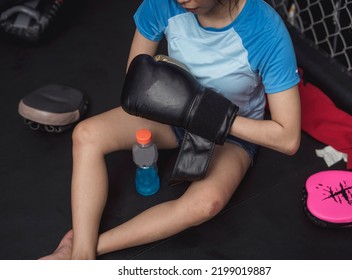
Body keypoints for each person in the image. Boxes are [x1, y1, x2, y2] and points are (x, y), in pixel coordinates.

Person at [40, 0, 301, 260]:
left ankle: (85, 250)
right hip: (173, 115)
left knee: (205, 205)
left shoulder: (265, 30)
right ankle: (81, 255)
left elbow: (287, 138)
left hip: (232, 136)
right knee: (87, 135)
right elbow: (135, 76)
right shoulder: (164, 3)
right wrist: (173, 98)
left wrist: (206, 111)